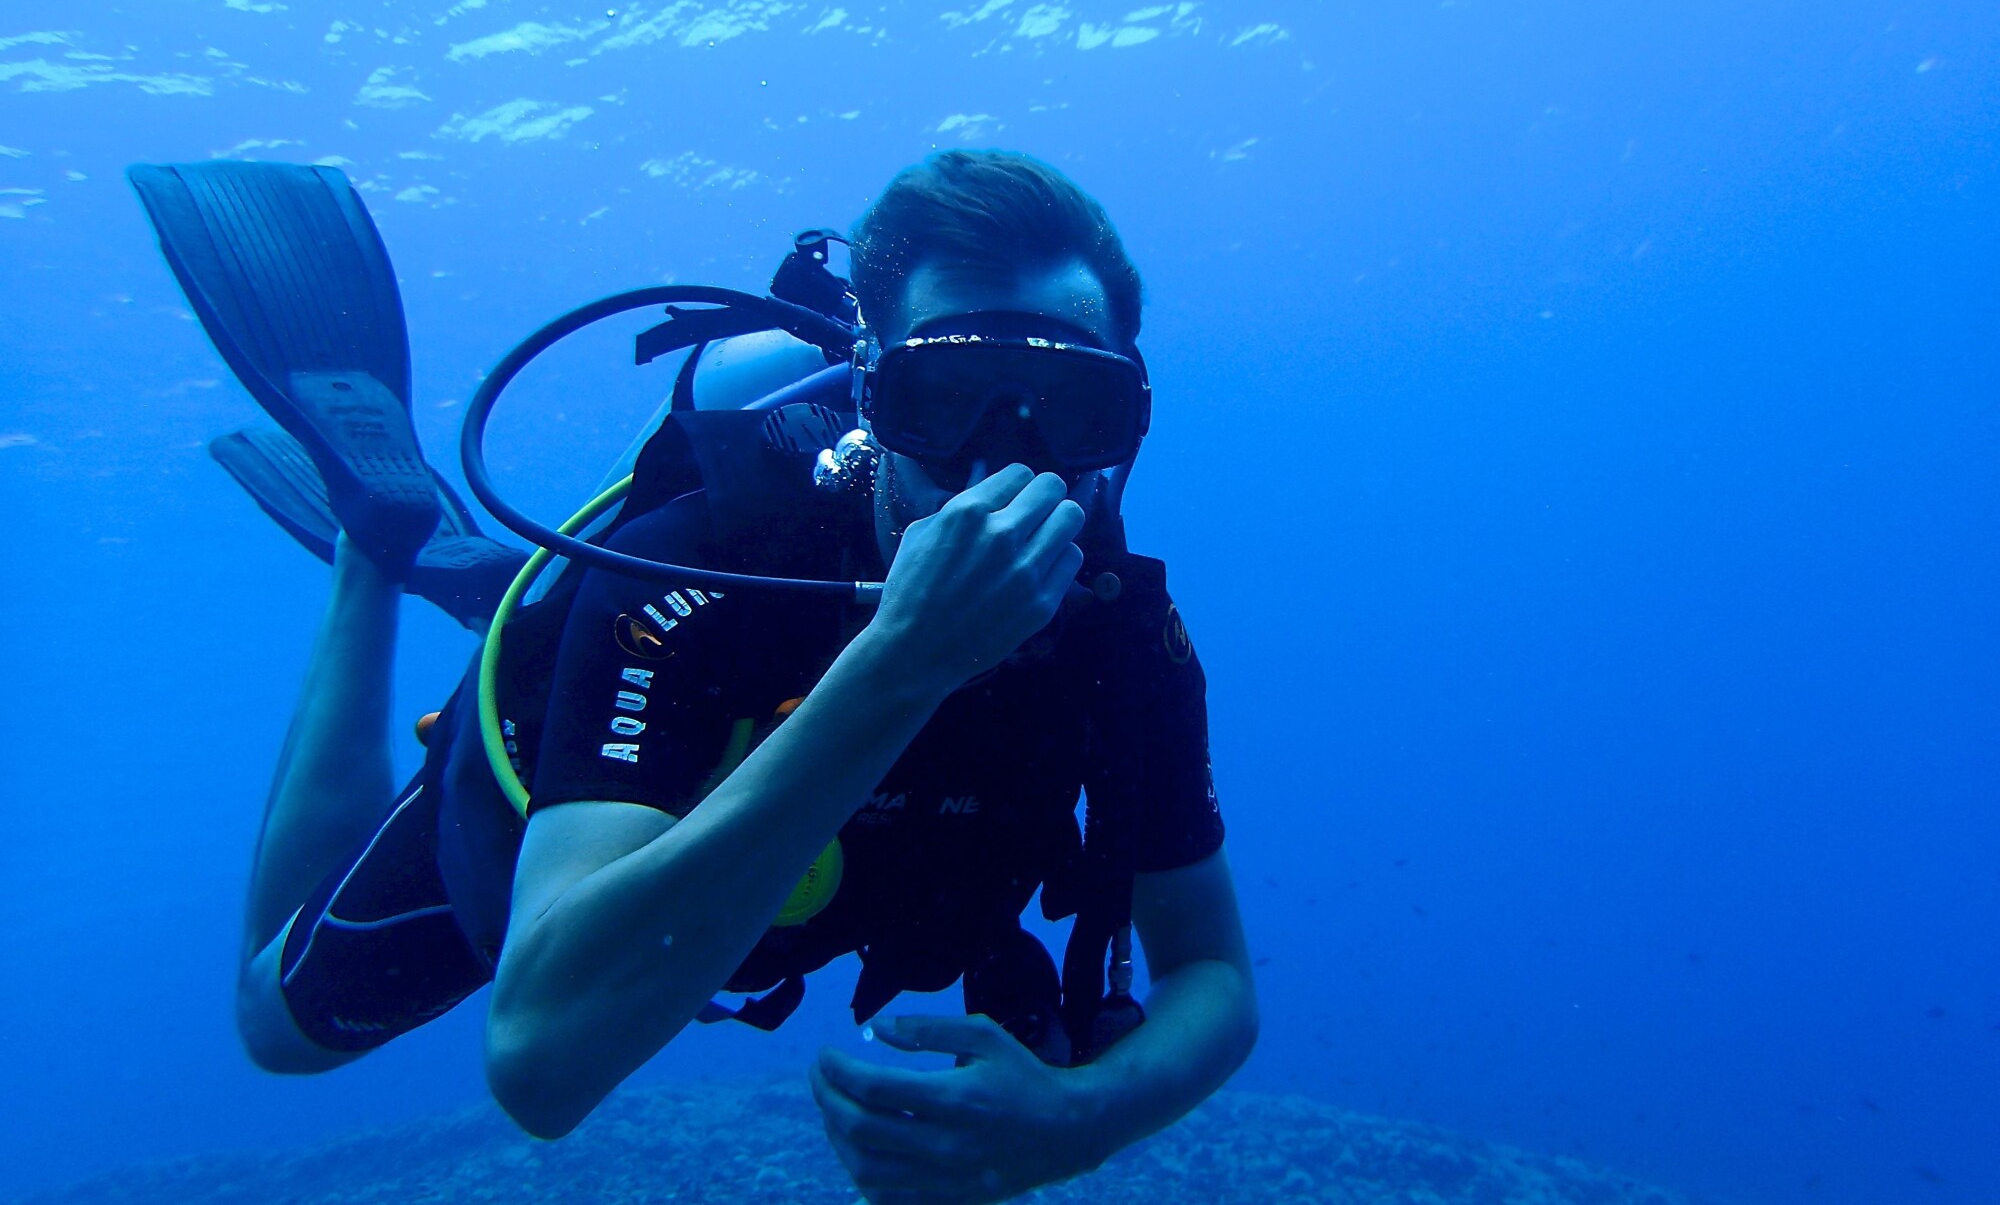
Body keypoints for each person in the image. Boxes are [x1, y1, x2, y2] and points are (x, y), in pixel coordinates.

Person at [131, 149, 1258, 1201]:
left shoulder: (1118, 634)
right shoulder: (694, 570)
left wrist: (1083, 1117)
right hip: (598, 736)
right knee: (273, 1031)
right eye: (941, 398)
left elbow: (1209, 970)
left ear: (1127, 419)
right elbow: (538, 1068)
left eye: (1069, 406)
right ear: (870, 391)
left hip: (775, 862)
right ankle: (373, 548)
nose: (999, 459)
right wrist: (902, 665)